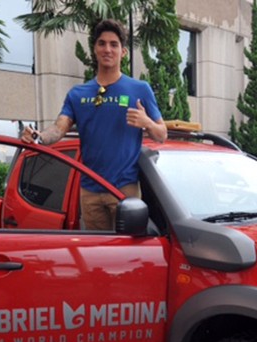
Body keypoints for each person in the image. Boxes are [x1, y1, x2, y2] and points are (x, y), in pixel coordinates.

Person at [21, 19, 167, 230]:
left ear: (123, 52)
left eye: (114, 44)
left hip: (124, 192)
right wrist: (38, 137)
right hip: (89, 192)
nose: (107, 49)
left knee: (129, 258)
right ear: (94, 49)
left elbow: (162, 134)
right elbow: (59, 128)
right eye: (102, 43)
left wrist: (146, 123)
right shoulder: (77, 94)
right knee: (98, 257)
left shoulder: (140, 89)